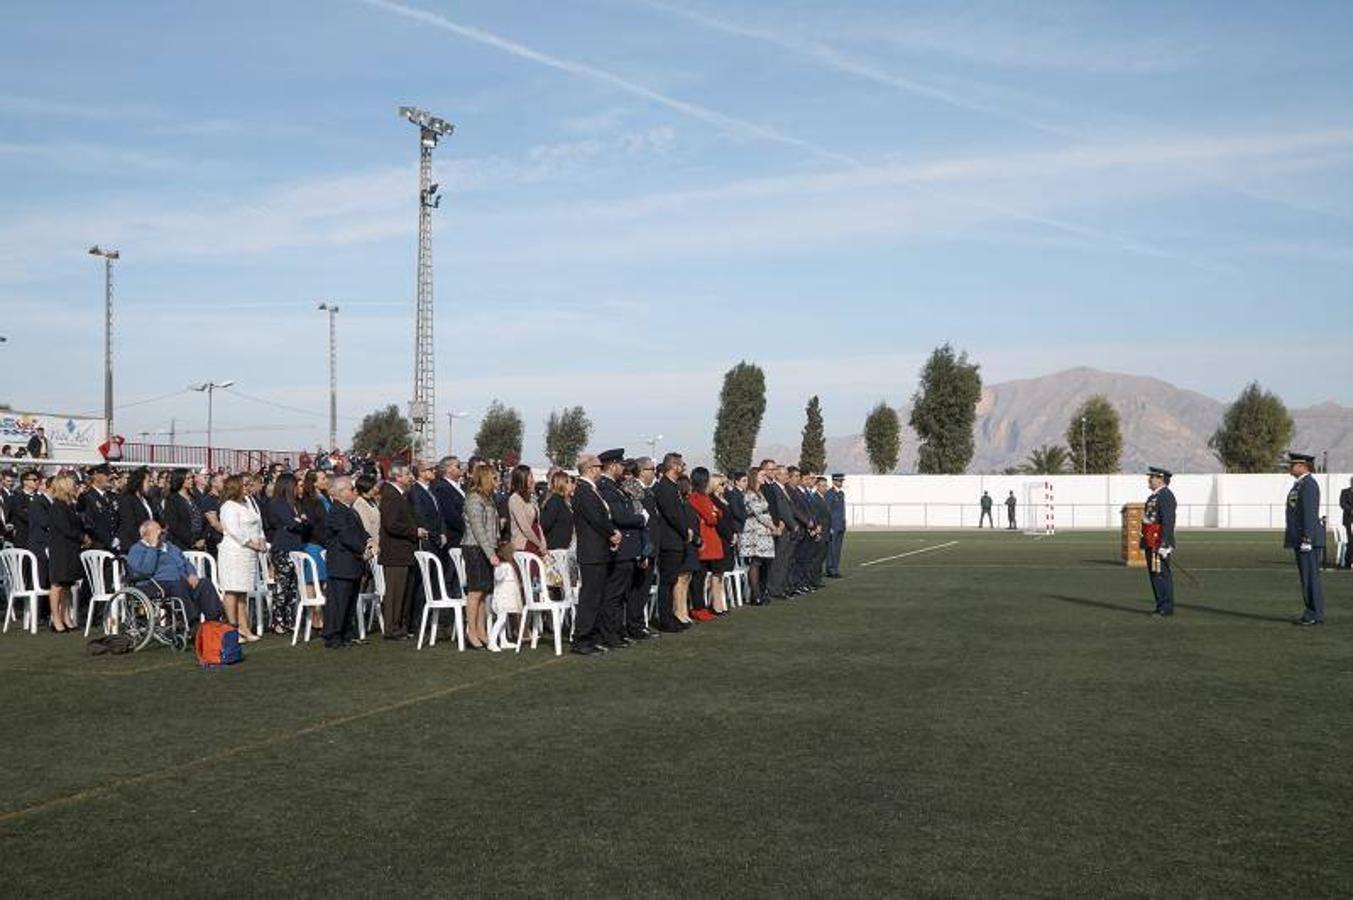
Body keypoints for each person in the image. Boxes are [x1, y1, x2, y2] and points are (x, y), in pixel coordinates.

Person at [126, 520, 224, 624]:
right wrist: (153, 547)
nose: (162, 533)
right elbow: (146, 570)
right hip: (156, 584)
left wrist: (192, 574)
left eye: (162, 531)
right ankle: (191, 624)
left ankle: (214, 623)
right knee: (178, 585)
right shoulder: (137, 549)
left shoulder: (170, 546)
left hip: (181, 582)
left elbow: (186, 563)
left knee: (205, 583)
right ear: (145, 535)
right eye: (157, 531)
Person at [570, 453, 621, 654]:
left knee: (597, 596)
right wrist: (612, 533)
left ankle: (592, 636)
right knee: (590, 598)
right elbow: (596, 518)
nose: (601, 470)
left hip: (598, 551)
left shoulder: (591, 490)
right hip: (592, 552)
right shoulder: (584, 491)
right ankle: (581, 639)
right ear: (591, 469)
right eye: (599, 467)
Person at [597, 448, 646, 645]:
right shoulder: (606, 488)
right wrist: (641, 518)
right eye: (620, 465)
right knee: (614, 595)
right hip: (620, 548)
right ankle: (610, 634)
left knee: (621, 594)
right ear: (613, 465)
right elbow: (620, 516)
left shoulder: (616, 487)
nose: (622, 469)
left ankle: (617, 632)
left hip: (628, 548)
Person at [322, 476, 370, 650]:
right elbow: (346, 536)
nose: (354, 492)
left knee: (349, 601)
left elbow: (360, 532)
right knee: (338, 602)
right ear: (341, 492)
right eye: (351, 489)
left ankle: (346, 633)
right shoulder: (336, 511)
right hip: (342, 564)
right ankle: (333, 636)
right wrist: (363, 550)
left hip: (352, 563)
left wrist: (370, 541)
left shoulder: (349, 510)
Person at [217, 475, 264, 641]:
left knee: (243, 591)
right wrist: (252, 543)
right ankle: (233, 628)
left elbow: (258, 524)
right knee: (231, 590)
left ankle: (245, 628)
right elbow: (234, 531)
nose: (248, 488)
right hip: (234, 553)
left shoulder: (248, 503)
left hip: (248, 554)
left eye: (249, 485)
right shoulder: (228, 506)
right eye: (244, 485)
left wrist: (262, 540)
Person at [380, 464, 422, 641]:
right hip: (395, 553)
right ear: (397, 477)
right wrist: (414, 532)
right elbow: (391, 525)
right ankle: (392, 628)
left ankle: (400, 626)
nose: (411, 477)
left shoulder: (400, 495)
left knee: (404, 592)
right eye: (407, 475)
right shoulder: (391, 495)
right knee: (395, 593)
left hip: (403, 552)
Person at [460, 464, 501, 649]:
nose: (497, 481)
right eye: (494, 478)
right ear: (485, 478)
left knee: (484, 593)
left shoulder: (488, 499)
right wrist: (491, 554)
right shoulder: (474, 499)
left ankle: (481, 630)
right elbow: (478, 530)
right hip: (475, 549)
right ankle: (471, 632)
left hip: (486, 549)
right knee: (475, 592)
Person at [1284, 452, 1325, 626]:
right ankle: (1311, 611)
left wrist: (1307, 538)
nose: (1289, 467)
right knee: (1306, 577)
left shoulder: (1308, 485)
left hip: (1307, 539)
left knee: (1310, 577)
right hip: (1301, 537)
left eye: (1292, 464)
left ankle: (1314, 613)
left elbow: (1309, 512)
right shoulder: (1300, 484)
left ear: (1302, 466)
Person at [652, 453, 692, 632]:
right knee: (667, 582)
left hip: (676, 540)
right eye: (682, 464)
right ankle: (665, 620)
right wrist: (686, 531)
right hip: (669, 541)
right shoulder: (664, 487)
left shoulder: (672, 487)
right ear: (674, 466)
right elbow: (672, 515)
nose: (684, 467)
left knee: (671, 581)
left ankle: (672, 617)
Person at [266, 473, 307, 635]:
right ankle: (278, 620)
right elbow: (291, 523)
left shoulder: (294, 504)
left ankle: (289, 619)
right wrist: (298, 522)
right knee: (282, 585)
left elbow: (302, 523)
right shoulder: (278, 504)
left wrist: (300, 522)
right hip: (283, 548)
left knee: (292, 586)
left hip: (294, 546)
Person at [622, 458, 658, 639]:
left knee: (643, 588)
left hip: (649, 544)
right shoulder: (632, 489)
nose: (654, 472)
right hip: (641, 545)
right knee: (638, 588)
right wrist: (644, 550)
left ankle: (637, 624)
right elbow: (640, 521)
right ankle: (633, 626)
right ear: (642, 471)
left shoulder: (647, 491)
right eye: (651, 469)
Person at [688, 467, 728, 619]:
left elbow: (717, 513)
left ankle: (701, 606)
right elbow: (711, 517)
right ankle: (698, 607)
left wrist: (714, 513)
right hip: (704, 541)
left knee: (702, 575)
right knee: (699, 577)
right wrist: (714, 513)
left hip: (710, 541)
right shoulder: (696, 497)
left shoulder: (703, 497)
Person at [45, 475, 83, 633]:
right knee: (57, 584)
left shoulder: (69, 505)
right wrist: (81, 536)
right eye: (73, 485)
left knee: (67, 585)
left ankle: (66, 616)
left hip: (70, 549)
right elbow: (65, 529)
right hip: (61, 549)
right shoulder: (57, 506)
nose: (75, 488)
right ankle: (56, 619)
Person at [1140, 466, 1177, 617]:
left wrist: (1165, 544)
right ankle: (1160, 604)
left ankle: (1166, 607)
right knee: (1155, 575)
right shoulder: (1153, 497)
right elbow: (1148, 520)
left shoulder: (1165, 496)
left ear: (1161, 479)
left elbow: (1168, 522)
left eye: (1152, 477)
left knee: (1161, 575)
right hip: (1151, 542)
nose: (1149, 480)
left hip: (1159, 543)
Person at [741, 469, 777, 604]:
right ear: (754, 477)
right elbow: (759, 513)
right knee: (755, 562)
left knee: (761, 561)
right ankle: (755, 595)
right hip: (754, 531)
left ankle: (760, 592)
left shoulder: (760, 493)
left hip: (763, 530)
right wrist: (773, 527)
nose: (764, 477)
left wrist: (772, 525)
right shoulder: (750, 494)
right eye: (762, 475)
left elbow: (766, 512)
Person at [489, 538, 524, 650]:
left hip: (506, 599)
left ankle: (503, 641)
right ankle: (492, 641)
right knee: (501, 619)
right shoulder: (503, 566)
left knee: (503, 619)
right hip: (502, 599)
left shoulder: (508, 565)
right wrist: (498, 567)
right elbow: (498, 577)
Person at [77, 463, 120, 552]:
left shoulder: (112, 497)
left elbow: (119, 519)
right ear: (96, 476)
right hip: (98, 547)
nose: (110, 478)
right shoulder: (87, 497)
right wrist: (109, 541)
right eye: (107, 475)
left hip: (116, 546)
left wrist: (118, 537)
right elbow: (89, 525)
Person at [163, 469, 206, 552]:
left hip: (199, 541)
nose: (191, 480)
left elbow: (202, 518)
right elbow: (174, 525)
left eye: (191, 478)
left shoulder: (194, 498)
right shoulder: (172, 500)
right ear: (180, 480)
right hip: (182, 544)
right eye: (188, 478)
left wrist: (202, 538)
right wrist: (192, 541)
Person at [116, 468, 158, 552]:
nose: (150, 484)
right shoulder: (127, 499)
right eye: (148, 482)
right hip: (133, 544)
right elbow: (129, 526)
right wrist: (145, 542)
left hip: (150, 543)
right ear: (139, 482)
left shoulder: (147, 500)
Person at [507, 464, 545, 555]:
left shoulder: (531, 498)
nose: (533, 480)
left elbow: (537, 523)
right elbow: (524, 527)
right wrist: (539, 544)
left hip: (535, 543)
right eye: (530, 476)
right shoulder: (515, 499)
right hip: (523, 546)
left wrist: (543, 542)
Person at [540, 470, 575, 551]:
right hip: (555, 549)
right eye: (569, 482)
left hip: (563, 548)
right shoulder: (554, 502)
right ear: (563, 484)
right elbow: (544, 525)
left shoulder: (563, 501)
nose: (572, 485)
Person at [825, 474, 847, 577]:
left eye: (841, 481)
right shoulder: (830, 494)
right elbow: (828, 511)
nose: (840, 483)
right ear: (833, 481)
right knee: (832, 548)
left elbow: (841, 510)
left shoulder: (841, 493)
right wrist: (829, 526)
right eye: (838, 481)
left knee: (838, 549)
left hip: (840, 525)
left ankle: (836, 568)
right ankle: (830, 569)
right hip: (833, 526)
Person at [1340, 477, 1353, 569]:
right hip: (1349, 521)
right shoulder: (1345, 492)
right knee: (1350, 541)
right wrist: (1351, 510)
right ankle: (1348, 562)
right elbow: (1342, 503)